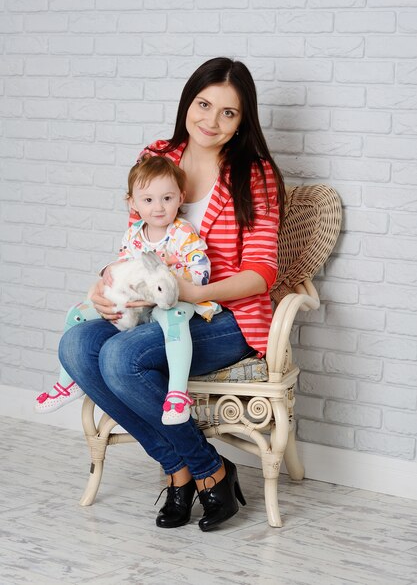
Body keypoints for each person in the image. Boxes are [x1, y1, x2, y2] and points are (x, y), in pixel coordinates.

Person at [59, 57, 285, 531]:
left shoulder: (255, 173)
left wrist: (194, 289)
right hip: (151, 309)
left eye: (229, 112)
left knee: (121, 359)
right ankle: (185, 468)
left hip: (220, 316)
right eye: (204, 104)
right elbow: (135, 239)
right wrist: (105, 281)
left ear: (243, 120)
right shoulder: (159, 153)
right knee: (77, 346)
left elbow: (262, 273)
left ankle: (204, 472)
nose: (211, 120)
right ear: (188, 102)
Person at [35, 154, 221, 425]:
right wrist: (108, 270)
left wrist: (176, 277)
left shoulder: (183, 233)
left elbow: (201, 270)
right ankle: (67, 382)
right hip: (136, 307)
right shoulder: (134, 234)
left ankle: (178, 393)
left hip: (170, 301)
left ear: (181, 198)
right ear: (132, 202)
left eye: (167, 198)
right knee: (77, 313)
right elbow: (124, 264)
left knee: (175, 317)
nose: (158, 207)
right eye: (148, 200)